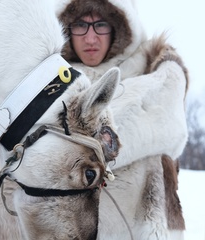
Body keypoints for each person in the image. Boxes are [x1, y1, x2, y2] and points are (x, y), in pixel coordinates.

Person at [56, 0, 189, 168]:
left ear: (117, 27)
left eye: (101, 24)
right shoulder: (46, 75)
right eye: (80, 25)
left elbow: (171, 127)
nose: (90, 38)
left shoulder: (154, 62)